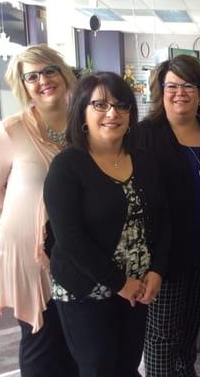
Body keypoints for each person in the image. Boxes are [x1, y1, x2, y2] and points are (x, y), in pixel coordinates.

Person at [43, 72, 170, 376]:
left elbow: (163, 219)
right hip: (85, 289)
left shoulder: (143, 159)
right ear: (83, 113)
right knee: (98, 367)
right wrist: (119, 283)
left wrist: (157, 271)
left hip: (137, 288)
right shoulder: (67, 166)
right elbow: (70, 238)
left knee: (127, 365)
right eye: (100, 105)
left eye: (121, 105)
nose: (112, 113)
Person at [0, 44, 78, 376]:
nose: (42, 80)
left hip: (71, 246)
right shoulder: (11, 130)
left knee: (73, 332)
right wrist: (21, 220)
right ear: (23, 85)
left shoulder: (83, 124)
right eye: (32, 76)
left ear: (62, 72)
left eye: (48, 70)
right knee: (40, 334)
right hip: (27, 250)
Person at [139, 55, 200, 377]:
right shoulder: (145, 134)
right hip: (166, 259)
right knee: (162, 338)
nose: (180, 93)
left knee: (189, 335)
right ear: (160, 92)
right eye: (171, 86)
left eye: (188, 85)